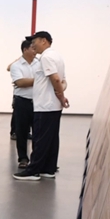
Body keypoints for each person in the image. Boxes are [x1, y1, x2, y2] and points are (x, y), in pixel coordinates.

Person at [13, 31, 68, 181]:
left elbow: (56, 79)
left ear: (44, 41)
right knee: (51, 139)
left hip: (45, 105)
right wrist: (61, 96)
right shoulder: (57, 56)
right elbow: (63, 81)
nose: (33, 45)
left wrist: (61, 96)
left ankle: (33, 170)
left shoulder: (46, 57)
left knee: (40, 139)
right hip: (52, 106)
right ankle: (48, 169)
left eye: (34, 42)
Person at [9, 40, 39, 168]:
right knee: (21, 132)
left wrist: (30, 81)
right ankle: (23, 158)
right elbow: (20, 82)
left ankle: (37, 158)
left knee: (38, 132)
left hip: (38, 101)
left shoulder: (40, 63)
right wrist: (40, 80)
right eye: (33, 48)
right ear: (25, 49)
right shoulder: (16, 66)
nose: (35, 51)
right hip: (22, 102)